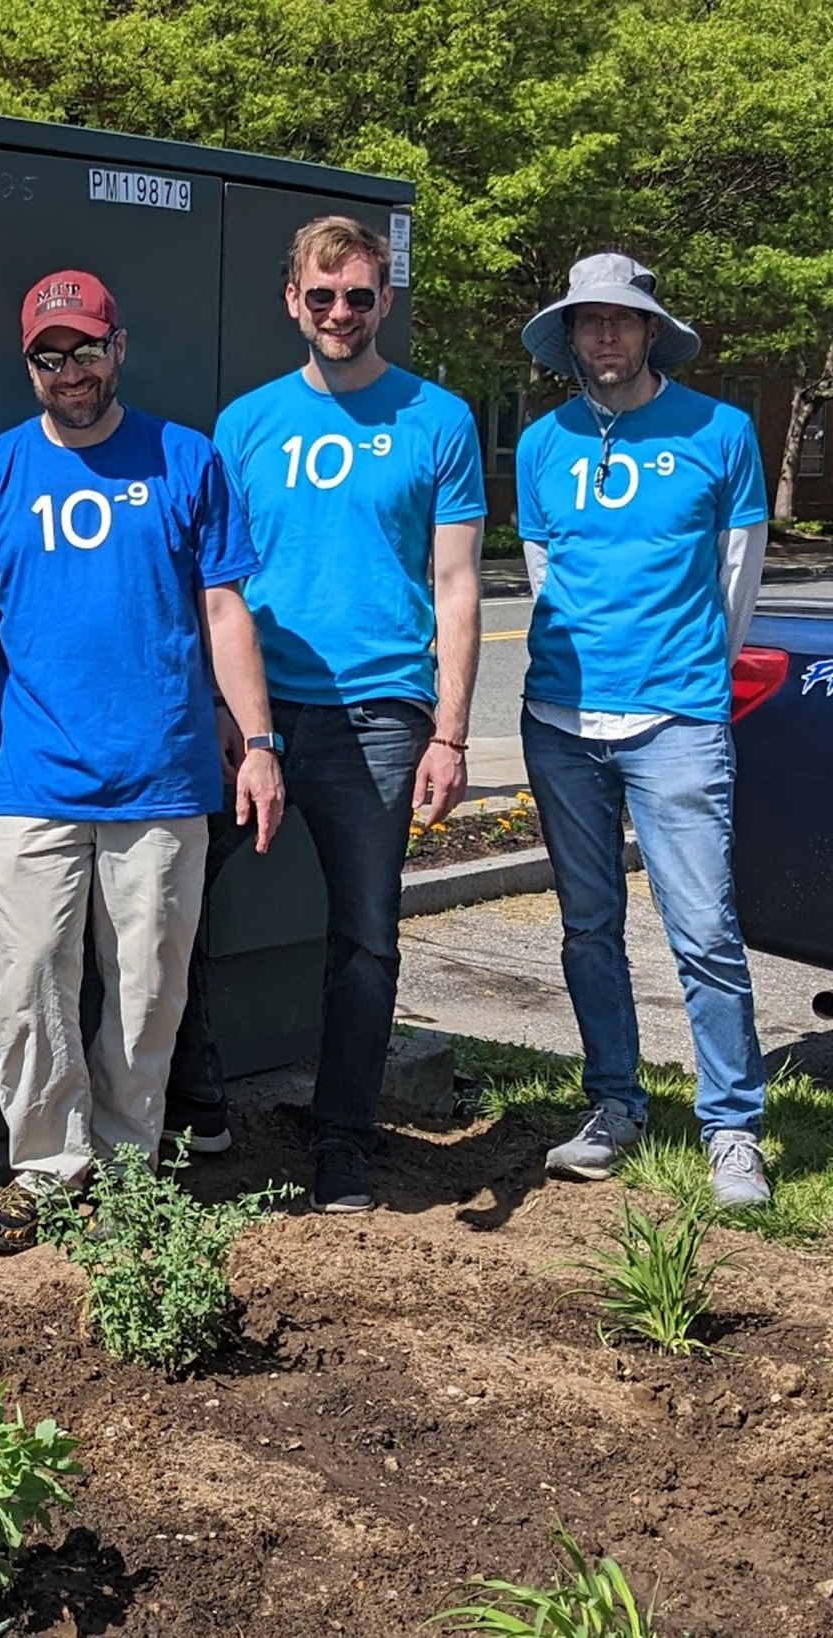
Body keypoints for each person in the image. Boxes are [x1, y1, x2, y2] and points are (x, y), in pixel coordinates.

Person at [0, 270, 285, 1255]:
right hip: (31, 783)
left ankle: (129, 1170)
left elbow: (225, 612)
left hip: (165, 779)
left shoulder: (186, 460)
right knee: (29, 983)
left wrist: (256, 743)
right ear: (28, 366)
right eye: (49, 356)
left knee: (145, 989)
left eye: (85, 348)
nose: (69, 371)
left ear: (118, 346)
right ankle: (47, 1174)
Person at [208, 215, 486, 1212]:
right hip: (254, 717)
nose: (337, 313)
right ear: (291, 301)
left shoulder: (438, 421)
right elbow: (218, 587)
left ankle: (342, 1143)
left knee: (365, 940)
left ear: (383, 301)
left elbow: (455, 588)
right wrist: (232, 721)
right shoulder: (243, 426)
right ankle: (190, 1106)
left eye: (357, 296)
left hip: (377, 716)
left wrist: (449, 731)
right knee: (169, 905)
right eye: (319, 296)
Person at [516, 253, 772, 1209]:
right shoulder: (542, 444)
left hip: (678, 721)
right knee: (589, 926)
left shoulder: (723, 432)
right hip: (560, 721)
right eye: (590, 321)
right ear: (571, 337)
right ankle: (614, 1104)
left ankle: (733, 1127)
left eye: (623, 319)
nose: (607, 335)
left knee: (703, 927)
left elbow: (735, 578)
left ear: (651, 328)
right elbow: (546, 580)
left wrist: (690, 675)